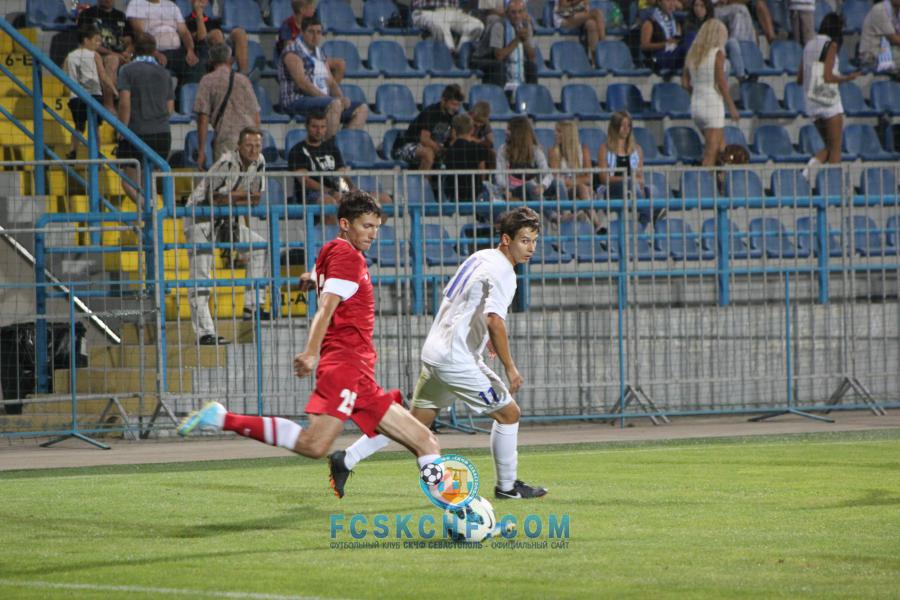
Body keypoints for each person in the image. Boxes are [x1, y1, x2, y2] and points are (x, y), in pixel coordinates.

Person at [178, 192, 444, 492]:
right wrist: (309, 352)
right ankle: (222, 418)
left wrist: (311, 277)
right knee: (314, 444)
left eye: (376, 227)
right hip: (345, 366)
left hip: (359, 371)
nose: (373, 234)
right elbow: (326, 309)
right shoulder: (347, 257)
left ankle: (458, 509)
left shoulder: (332, 249)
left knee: (425, 440)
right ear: (345, 224)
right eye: (366, 226)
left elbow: (323, 276)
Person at [327, 207, 548, 502]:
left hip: (436, 352)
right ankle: (507, 488)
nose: (531, 248)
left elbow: (464, 302)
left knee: (413, 426)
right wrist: (510, 367)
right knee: (509, 414)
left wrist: (486, 338)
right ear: (506, 240)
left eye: (534, 241)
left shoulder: (481, 257)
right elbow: (495, 319)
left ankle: (346, 458)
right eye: (524, 240)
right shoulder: (505, 272)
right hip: (456, 359)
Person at [183, 127, 271, 345]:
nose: (254, 150)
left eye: (257, 145)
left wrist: (233, 197)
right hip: (200, 218)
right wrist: (242, 195)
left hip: (225, 219)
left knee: (259, 246)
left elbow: (257, 198)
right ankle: (204, 333)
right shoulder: (226, 162)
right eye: (249, 145)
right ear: (239, 146)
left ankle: (252, 306)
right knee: (201, 276)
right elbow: (214, 198)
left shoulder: (260, 161)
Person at [287, 111, 392, 222]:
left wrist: (352, 189)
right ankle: (334, 233)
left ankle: (372, 232)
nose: (319, 131)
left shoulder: (332, 148)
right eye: (314, 127)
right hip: (312, 195)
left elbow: (342, 174)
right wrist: (330, 191)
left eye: (322, 127)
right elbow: (305, 181)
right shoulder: (297, 150)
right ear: (307, 127)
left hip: (338, 191)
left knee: (385, 199)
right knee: (329, 202)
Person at [278, 16, 367, 139]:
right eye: (311, 32)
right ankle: (328, 147)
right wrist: (328, 99)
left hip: (319, 100)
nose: (315, 36)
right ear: (302, 32)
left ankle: (344, 144)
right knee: (334, 104)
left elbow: (330, 82)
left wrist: (341, 98)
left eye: (319, 32)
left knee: (361, 108)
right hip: (296, 100)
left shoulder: (319, 52)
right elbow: (302, 83)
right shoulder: (292, 52)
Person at [116, 33, 174, 206]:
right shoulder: (165, 73)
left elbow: (124, 103)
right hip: (162, 135)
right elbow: (170, 109)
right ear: (154, 50)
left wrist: (121, 129)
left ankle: (148, 208)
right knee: (149, 183)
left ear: (134, 48)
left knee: (128, 183)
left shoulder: (127, 70)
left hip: (137, 133)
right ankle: (152, 211)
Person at [800, 13, 861, 173]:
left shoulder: (809, 44)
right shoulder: (831, 45)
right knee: (836, 149)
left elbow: (800, 78)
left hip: (811, 103)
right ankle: (833, 183)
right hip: (829, 103)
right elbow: (827, 77)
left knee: (829, 146)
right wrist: (847, 78)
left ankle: (806, 174)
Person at [682, 19, 740, 167]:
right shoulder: (717, 53)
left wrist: (697, 94)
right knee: (711, 155)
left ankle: (722, 180)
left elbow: (685, 83)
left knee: (721, 150)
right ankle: (703, 181)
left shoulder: (693, 53)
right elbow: (721, 83)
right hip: (713, 104)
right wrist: (732, 107)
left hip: (696, 105)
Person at [193, 43, 260, 167]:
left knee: (227, 178)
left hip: (226, 139)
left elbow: (203, 118)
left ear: (211, 60)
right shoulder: (243, 80)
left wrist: (201, 151)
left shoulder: (207, 80)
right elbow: (255, 115)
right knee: (249, 178)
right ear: (231, 59)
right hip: (249, 140)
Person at [64, 25, 119, 159]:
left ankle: (72, 150)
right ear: (86, 40)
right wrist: (114, 90)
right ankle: (96, 154)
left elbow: (64, 74)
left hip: (75, 97)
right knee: (95, 127)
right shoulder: (94, 55)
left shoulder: (70, 56)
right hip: (93, 96)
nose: (98, 43)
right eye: (96, 40)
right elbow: (103, 75)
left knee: (79, 127)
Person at [126, 0, 202, 85]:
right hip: (151, 51)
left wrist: (190, 50)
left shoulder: (172, 5)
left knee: (196, 65)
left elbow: (184, 32)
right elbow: (139, 33)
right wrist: (154, 52)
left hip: (176, 52)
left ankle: (185, 92)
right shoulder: (136, 3)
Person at [597, 111, 651, 227]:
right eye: (623, 125)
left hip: (633, 188)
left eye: (629, 125)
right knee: (630, 183)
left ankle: (643, 225)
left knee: (650, 189)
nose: (626, 129)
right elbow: (604, 178)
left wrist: (633, 181)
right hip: (612, 189)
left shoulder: (637, 149)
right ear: (615, 127)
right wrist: (626, 179)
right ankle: (645, 214)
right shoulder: (604, 148)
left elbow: (641, 179)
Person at [470, 0, 538, 91]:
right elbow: (499, 56)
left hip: (503, 59)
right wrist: (517, 39)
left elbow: (531, 56)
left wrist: (524, 40)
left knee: (531, 66)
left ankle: (529, 94)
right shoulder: (499, 25)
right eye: (513, 12)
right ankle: (499, 94)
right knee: (499, 66)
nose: (517, 16)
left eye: (520, 12)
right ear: (507, 13)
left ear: (524, 13)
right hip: (484, 58)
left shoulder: (526, 25)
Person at [391, 84, 462, 170]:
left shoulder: (454, 115)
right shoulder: (431, 112)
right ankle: (423, 179)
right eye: (453, 104)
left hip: (433, 148)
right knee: (428, 153)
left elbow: (454, 138)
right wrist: (441, 150)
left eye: (458, 105)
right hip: (406, 146)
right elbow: (424, 140)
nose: (456, 108)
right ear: (444, 101)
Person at [76, 0, 132, 110]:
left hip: (120, 55)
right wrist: (115, 54)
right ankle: (108, 104)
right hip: (96, 54)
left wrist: (127, 52)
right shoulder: (87, 14)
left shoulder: (120, 16)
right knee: (112, 60)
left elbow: (130, 40)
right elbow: (87, 42)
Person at [495, 116, 563, 204]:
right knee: (528, 186)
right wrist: (505, 189)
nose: (505, 132)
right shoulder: (503, 150)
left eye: (509, 129)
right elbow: (499, 175)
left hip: (535, 189)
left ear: (518, 132)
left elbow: (548, 174)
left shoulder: (535, 150)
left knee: (558, 184)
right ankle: (550, 212)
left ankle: (566, 211)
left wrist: (543, 186)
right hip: (513, 190)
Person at [276, 0, 345, 82]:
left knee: (340, 64)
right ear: (302, 10)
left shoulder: (312, 23)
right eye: (311, 7)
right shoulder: (287, 25)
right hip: (295, 60)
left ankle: (329, 89)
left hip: (312, 57)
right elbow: (289, 49)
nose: (314, 9)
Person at [548, 120, 600, 228]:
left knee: (582, 188)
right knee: (582, 188)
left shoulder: (583, 150)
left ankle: (596, 225)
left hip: (580, 190)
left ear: (568, 135)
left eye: (559, 131)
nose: (555, 134)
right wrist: (576, 180)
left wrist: (569, 181)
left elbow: (589, 178)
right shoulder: (553, 152)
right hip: (562, 193)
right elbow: (558, 181)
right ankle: (597, 225)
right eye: (555, 131)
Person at [186, 0, 249, 74]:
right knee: (216, 34)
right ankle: (223, 73)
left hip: (222, 52)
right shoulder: (187, 21)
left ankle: (243, 75)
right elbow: (202, 39)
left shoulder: (213, 21)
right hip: (204, 54)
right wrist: (199, 13)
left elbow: (223, 42)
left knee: (239, 33)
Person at [441, 113, 492, 202]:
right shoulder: (478, 148)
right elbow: (482, 172)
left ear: (454, 130)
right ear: (472, 130)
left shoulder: (449, 151)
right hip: (475, 192)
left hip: (454, 194)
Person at [411, 0, 485, 54]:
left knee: (477, 26)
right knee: (440, 23)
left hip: (453, 12)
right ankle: (449, 54)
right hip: (426, 11)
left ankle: (460, 54)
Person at [640, 0, 691, 72]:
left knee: (690, 37)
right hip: (657, 58)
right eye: (668, 1)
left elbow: (676, 39)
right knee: (687, 44)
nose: (671, 4)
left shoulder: (675, 21)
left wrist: (677, 41)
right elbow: (644, 46)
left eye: (673, 1)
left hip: (672, 54)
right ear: (659, 2)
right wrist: (665, 44)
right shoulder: (650, 22)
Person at [859, 0, 900, 73]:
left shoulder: (897, 11)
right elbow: (894, 38)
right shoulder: (880, 9)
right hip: (871, 55)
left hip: (889, 49)